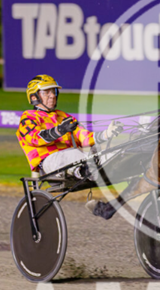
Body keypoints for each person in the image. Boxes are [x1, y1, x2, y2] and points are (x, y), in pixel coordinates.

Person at [16, 75, 123, 206]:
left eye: (53, 91)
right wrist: (59, 130)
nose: (52, 96)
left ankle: (114, 163)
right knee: (72, 154)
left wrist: (106, 134)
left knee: (98, 150)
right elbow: (35, 138)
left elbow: (83, 137)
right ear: (34, 97)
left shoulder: (64, 116)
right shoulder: (28, 117)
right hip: (51, 166)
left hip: (74, 160)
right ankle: (85, 170)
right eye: (46, 92)